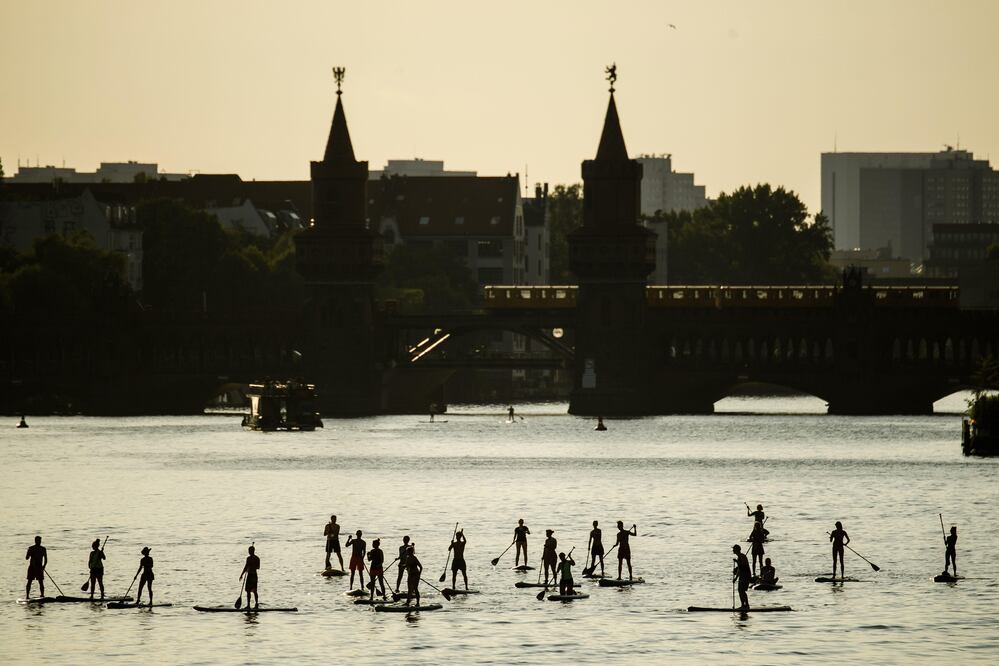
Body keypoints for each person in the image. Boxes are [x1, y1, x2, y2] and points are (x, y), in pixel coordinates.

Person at [240, 545, 260, 609]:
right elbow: (245, 567)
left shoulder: (257, 558)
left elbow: (258, 567)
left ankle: (256, 604)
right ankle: (248, 605)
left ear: (253, 551)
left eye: (250, 551)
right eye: (249, 551)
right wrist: (242, 575)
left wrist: (252, 565)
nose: (249, 552)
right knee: (248, 591)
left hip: (254, 575)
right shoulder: (248, 558)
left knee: (254, 591)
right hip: (249, 576)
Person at [732, 544, 751, 610]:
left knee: (742, 590)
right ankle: (743, 605)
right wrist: (735, 578)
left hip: (746, 575)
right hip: (742, 575)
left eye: (734, 549)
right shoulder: (739, 557)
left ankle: (747, 605)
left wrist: (737, 562)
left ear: (737, 550)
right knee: (740, 590)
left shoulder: (742, 556)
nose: (733, 550)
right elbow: (739, 569)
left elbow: (743, 565)